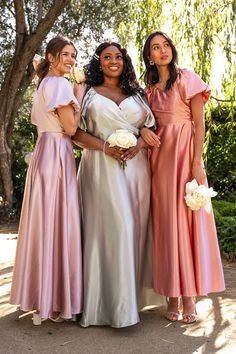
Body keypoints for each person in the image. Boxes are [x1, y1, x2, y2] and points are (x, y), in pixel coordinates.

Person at [72, 42, 163, 328]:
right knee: (110, 231)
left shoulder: (137, 93)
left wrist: (140, 138)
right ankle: (101, 306)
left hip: (136, 169)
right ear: (99, 62)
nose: (113, 61)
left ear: (125, 61)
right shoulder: (87, 93)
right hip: (101, 168)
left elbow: (150, 125)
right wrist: (103, 146)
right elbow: (74, 132)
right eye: (107, 57)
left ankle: (129, 302)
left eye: (118, 57)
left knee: (133, 230)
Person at [141, 31, 225, 324]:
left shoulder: (187, 78)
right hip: (159, 158)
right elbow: (142, 121)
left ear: (172, 49)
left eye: (165, 45)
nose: (162, 50)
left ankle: (189, 296)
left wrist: (197, 160)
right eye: (155, 47)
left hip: (185, 154)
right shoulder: (148, 88)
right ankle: (171, 296)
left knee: (186, 223)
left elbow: (199, 122)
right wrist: (141, 131)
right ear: (149, 55)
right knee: (167, 225)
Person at [10, 36, 83, 325]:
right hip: (58, 155)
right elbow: (71, 127)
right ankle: (55, 301)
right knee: (58, 223)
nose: (71, 59)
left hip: (44, 153)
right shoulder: (62, 86)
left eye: (73, 55)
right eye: (65, 54)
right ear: (52, 57)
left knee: (44, 223)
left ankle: (41, 295)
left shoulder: (43, 85)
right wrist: (80, 94)